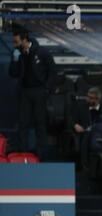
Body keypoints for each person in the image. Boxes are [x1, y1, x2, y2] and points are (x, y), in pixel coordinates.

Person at [9, 28, 55, 160]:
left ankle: (40, 154)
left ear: (25, 39)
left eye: (16, 41)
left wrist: (46, 89)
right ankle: (23, 153)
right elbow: (13, 74)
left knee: (40, 122)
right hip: (24, 92)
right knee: (23, 123)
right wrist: (15, 60)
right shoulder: (17, 53)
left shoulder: (43, 52)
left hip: (40, 91)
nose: (14, 44)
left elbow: (52, 72)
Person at [69, 87, 102, 166]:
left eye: (91, 98)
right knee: (87, 136)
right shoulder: (80, 106)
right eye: (87, 96)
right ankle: (85, 164)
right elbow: (71, 120)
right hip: (85, 131)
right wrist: (75, 125)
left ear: (98, 99)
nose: (87, 99)